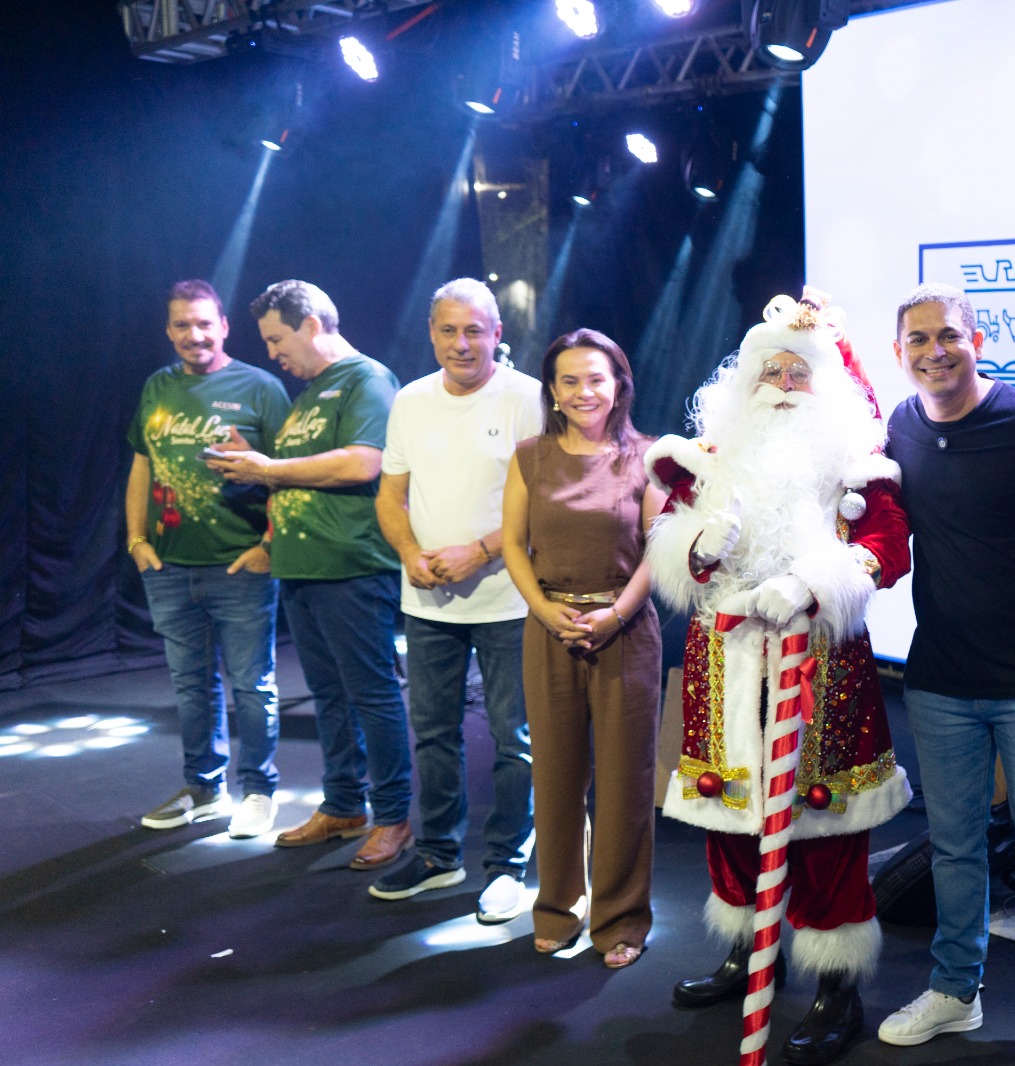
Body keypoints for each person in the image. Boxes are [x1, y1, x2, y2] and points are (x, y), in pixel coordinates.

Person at [647, 290, 911, 1066]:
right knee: (729, 812)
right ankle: (746, 951)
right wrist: (699, 547)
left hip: (820, 658)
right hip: (726, 660)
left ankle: (836, 985)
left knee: (827, 826)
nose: (787, 384)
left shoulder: (856, 461)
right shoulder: (710, 457)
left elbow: (887, 548)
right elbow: (671, 546)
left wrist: (810, 587)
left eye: (802, 371)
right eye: (773, 370)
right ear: (746, 380)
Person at [877, 282, 1015, 1066]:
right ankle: (956, 992)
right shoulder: (900, 427)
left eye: (949, 337)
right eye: (919, 340)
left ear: (978, 342)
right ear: (900, 353)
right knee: (954, 851)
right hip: (940, 678)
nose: (935, 352)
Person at [209, 280, 413, 871]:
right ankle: (344, 805)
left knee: (372, 695)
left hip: (352, 564)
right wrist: (253, 461)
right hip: (302, 567)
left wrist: (268, 467)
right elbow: (293, 472)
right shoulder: (308, 395)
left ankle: (393, 816)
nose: (273, 353)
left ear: (313, 324)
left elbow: (364, 462)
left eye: (278, 339)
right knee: (329, 695)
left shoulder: (367, 379)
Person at [367, 278, 543, 921]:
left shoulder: (528, 397)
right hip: (428, 602)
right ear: (432, 334)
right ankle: (440, 855)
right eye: (448, 330)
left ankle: (507, 867)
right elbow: (390, 497)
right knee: (434, 734)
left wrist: (481, 550)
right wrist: (410, 553)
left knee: (514, 739)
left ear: (498, 334)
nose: (461, 343)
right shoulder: (411, 400)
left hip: (509, 599)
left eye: (474, 330)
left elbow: (548, 501)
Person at [501, 328, 663, 969]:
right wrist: (545, 611)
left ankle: (620, 920)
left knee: (626, 783)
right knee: (555, 776)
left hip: (627, 630)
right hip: (550, 628)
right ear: (552, 390)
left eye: (596, 378)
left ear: (618, 385)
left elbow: (660, 550)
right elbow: (513, 544)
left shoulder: (648, 457)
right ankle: (556, 908)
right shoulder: (529, 456)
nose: (583, 391)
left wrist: (616, 615)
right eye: (569, 380)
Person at [129, 279, 290, 839]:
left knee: (252, 685)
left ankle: (260, 791)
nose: (193, 335)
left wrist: (268, 546)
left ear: (223, 326)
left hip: (239, 567)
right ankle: (203, 788)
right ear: (169, 331)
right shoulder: (158, 386)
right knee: (190, 686)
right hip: (168, 568)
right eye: (182, 325)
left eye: (203, 323)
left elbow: (289, 476)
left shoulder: (261, 388)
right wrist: (136, 540)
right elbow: (142, 465)